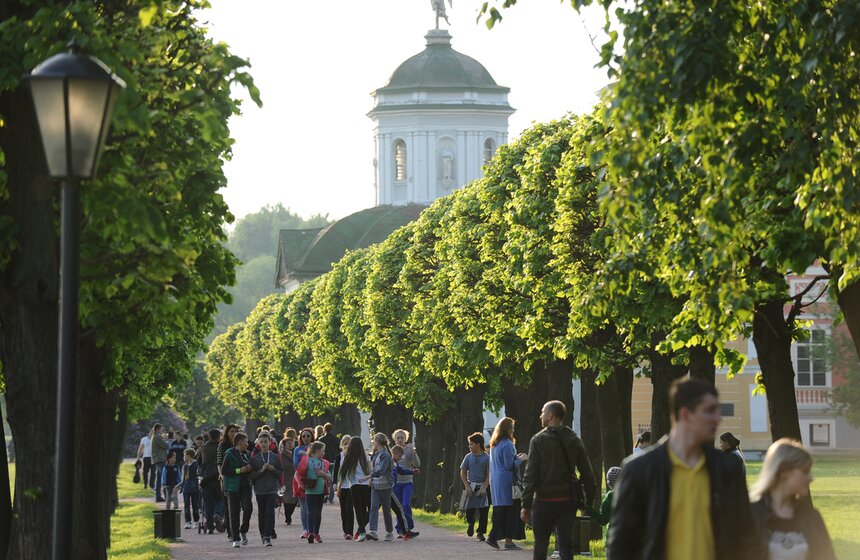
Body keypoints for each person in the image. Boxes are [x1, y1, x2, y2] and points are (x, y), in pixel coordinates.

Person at [608, 377, 761, 560]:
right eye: (709, 411)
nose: (718, 418)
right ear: (685, 414)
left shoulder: (727, 469)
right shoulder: (639, 471)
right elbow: (621, 547)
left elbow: (747, 537)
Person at [520, 400, 596, 560]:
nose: (540, 415)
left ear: (551, 415)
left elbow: (530, 475)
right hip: (567, 501)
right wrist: (588, 502)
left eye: (543, 412)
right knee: (566, 546)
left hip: (543, 501)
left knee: (541, 544)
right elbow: (587, 474)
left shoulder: (538, 440)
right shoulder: (574, 439)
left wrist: (526, 504)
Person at [749, 438, 836, 560]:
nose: (811, 478)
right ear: (783, 472)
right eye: (805, 471)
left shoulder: (812, 517)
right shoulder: (752, 516)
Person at [487, 417, 528, 551]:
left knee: (500, 510)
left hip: (496, 481)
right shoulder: (507, 444)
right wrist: (521, 459)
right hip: (507, 481)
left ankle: (496, 537)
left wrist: (516, 457)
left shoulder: (494, 444)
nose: (513, 430)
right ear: (508, 429)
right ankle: (505, 540)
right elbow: (509, 465)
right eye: (512, 428)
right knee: (511, 511)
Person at [250, 431, 282, 547]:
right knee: (262, 513)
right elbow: (252, 476)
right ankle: (262, 534)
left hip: (272, 489)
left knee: (270, 512)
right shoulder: (255, 459)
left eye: (265, 442)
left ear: (270, 443)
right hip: (260, 490)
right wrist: (261, 471)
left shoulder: (275, 457)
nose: (263, 444)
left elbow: (280, 473)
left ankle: (267, 536)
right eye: (261, 442)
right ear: (258, 443)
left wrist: (273, 469)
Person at [223, 432, 253, 549]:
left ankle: (243, 530)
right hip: (233, 487)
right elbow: (225, 471)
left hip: (245, 486)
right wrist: (240, 470)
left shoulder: (248, 454)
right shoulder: (229, 454)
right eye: (246, 442)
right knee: (234, 513)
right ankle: (236, 538)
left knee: (248, 509)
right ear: (240, 442)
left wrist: (250, 469)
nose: (247, 444)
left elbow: (252, 467)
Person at [340, 436, 372, 541]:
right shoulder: (365, 456)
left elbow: (343, 472)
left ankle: (361, 531)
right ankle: (360, 530)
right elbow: (369, 471)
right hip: (365, 484)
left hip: (353, 485)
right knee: (370, 508)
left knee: (358, 509)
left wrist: (340, 486)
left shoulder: (348, 457)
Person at [460, 432, 491, 541]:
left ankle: (481, 532)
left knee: (484, 511)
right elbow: (463, 472)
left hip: (483, 486)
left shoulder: (487, 458)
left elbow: (489, 474)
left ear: (478, 444)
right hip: (471, 485)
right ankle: (470, 523)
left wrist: (484, 488)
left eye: (471, 444)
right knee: (470, 510)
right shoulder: (468, 457)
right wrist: (467, 486)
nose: (469, 446)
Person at [364, 432, 395, 542]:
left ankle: (389, 532)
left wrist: (370, 476)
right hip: (375, 486)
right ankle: (373, 531)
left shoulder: (385, 455)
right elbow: (373, 468)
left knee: (386, 509)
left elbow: (381, 470)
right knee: (373, 507)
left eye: (374, 441)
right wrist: (371, 479)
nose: (373, 443)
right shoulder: (376, 454)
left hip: (385, 486)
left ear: (377, 441)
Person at [300, 440, 331, 543]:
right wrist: (301, 484)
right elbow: (299, 473)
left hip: (320, 491)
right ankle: (310, 532)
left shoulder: (323, 462)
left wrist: (323, 474)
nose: (324, 452)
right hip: (310, 491)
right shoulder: (307, 461)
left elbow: (329, 477)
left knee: (318, 513)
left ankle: (316, 533)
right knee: (311, 512)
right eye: (323, 450)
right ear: (317, 451)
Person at [391, 428, 420, 537]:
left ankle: (409, 527)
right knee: (399, 507)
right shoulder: (392, 451)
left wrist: (413, 451)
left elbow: (417, 463)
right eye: (398, 438)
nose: (400, 440)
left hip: (407, 482)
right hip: (396, 483)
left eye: (402, 438)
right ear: (394, 439)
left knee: (406, 504)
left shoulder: (408, 450)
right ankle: (400, 529)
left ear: (406, 439)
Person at [198, 427, 225, 533]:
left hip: (206, 478)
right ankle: (217, 514)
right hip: (218, 477)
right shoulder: (221, 447)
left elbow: (199, 462)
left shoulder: (204, 447)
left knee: (207, 502)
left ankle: (209, 526)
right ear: (219, 437)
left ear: (209, 436)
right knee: (220, 499)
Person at [587, 466, 621, 547]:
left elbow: (603, 520)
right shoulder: (632, 495)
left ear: (609, 482)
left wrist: (588, 509)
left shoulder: (610, 497)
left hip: (613, 538)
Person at [293, 427, 316, 538]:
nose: (306, 438)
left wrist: (307, 454)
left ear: (312, 437)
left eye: (308, 436)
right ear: (300, 438)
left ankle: (313, 529)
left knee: (313, 507)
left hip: (314, 479)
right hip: (301, 479)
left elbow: (318, 462)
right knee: (304, 507)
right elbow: (296, 464)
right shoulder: (297, 449)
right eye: (303, 436)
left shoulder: (316, 448)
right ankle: (305, 529)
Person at [333, 434, 354, 539]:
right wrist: (334, 483)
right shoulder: (339, 456)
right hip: (342, 486)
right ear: (342, 445)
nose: (347, 446)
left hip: (351, 485)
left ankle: (350, 531)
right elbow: (335, 470)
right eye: (345, 444)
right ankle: (345, 530)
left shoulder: (354, 457)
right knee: (343, 510)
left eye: (349, 444)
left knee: (349, 508)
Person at [279, 433, 298, 526]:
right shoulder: (281, 455)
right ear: (284, 445)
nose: (291, 445)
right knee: (287, 499)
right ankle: (288, 516)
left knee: (294, 500)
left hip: (295, 478)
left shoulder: (296, 453)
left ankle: (289, 514)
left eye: (292, 443)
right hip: (286, 478)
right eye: (289, 443)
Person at [181, 448, 201, 529]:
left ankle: (196, 521)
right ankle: (188, 521)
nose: (183, 457)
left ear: (188, 456)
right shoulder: (185, 466)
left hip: (194, 488)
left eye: (184, 455)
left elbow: (198, 475)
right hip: (186, 488)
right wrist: (180, 485)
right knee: (186, 505)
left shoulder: (196, 465)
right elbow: (184, 477)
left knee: (195, 505)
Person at [319, 423, 340, 503]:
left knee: (323, 478)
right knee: (331, 479)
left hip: (324, 460)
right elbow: (339, 450)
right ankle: (331, 497)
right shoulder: (336, 439)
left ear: (324, 429)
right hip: (333, 460)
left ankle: (324, 495)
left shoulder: (321, 439)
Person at [151, 423, 169, 502]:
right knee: (163, 478)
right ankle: (166, 496)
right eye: (161, 429)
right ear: (158, 429)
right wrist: (166, 439)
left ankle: (159, 496)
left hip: (158, 459)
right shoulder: (157, 437)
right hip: (160, 459)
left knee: (159, 479)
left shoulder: (156, 437)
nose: (162, 430)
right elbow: (166, 446)